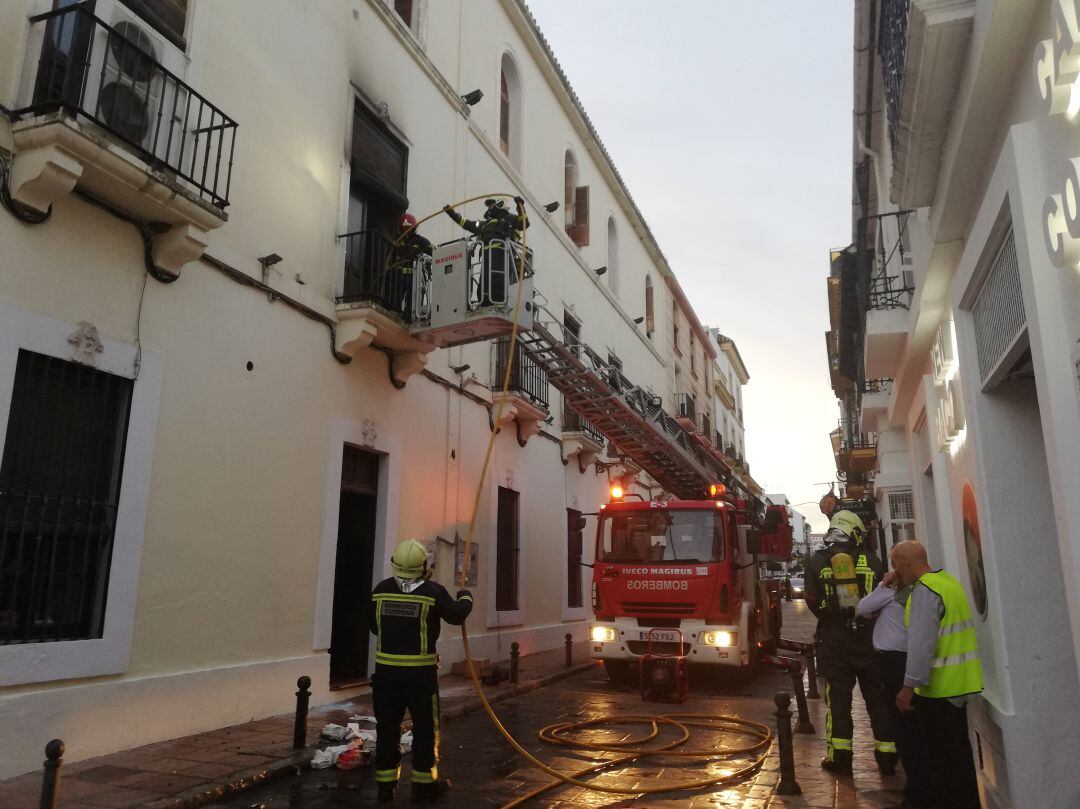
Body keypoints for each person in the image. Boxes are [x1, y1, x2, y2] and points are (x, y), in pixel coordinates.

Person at [369, 538, 473, 802]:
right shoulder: (433, 592)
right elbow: (457, 615)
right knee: (425, 728)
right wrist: (466, 596)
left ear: (394, 564)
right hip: (420, 677)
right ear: (423, 565)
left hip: (385, 675)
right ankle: (424, 784)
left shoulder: (380, 591)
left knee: (387, 728)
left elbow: (374, 626)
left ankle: (385, 787)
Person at [804, 510, 897, 776]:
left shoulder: (817, 561)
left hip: (835, 641)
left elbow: (811, 600)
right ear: (855, 531)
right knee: (878, 699)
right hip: (871, 640)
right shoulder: (872, 560)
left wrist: (829, 617)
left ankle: (840, 756)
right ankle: (887, 755)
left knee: (838, 700)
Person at [892, 540, 983, 809]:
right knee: (958, 760)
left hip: (938, 691)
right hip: (959, 687)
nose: (894, 569)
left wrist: (908, 686)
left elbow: (922, 645)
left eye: (895, 563)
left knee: (941, 763)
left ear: (907, 561)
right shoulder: (946, 583)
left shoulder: (925, 591)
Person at [856, 555, 929, 808]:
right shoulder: (925, 590)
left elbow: (863, 608)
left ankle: (914, 791)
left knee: (901, 724)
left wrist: (882, 586)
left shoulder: (893, 592)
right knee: (913, 726)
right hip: (913, 662)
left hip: (894, 664)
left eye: (894, 565)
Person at [443, 197, 528, 306]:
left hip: (502, 260)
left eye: (492, 205)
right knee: (484, 287)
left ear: (500, 205)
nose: (490, 208)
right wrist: (453, 215)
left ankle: (499, 306)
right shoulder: (485, 224)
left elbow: (524, 223)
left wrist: (520, 207)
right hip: (487, 260)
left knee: (499, 286)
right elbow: (468, 224)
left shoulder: (509, 219)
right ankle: (483, 304)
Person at [390, 213, 433, 317]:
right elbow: (391, 256)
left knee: (414, 297)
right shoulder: (397, 241)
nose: (407, 232)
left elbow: (434, 252)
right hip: (400, 275)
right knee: (396, 296)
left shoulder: (421, 241)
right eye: (404, 229)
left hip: (416, 276)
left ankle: (410, 316)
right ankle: (396, 311)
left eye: (408, 228)